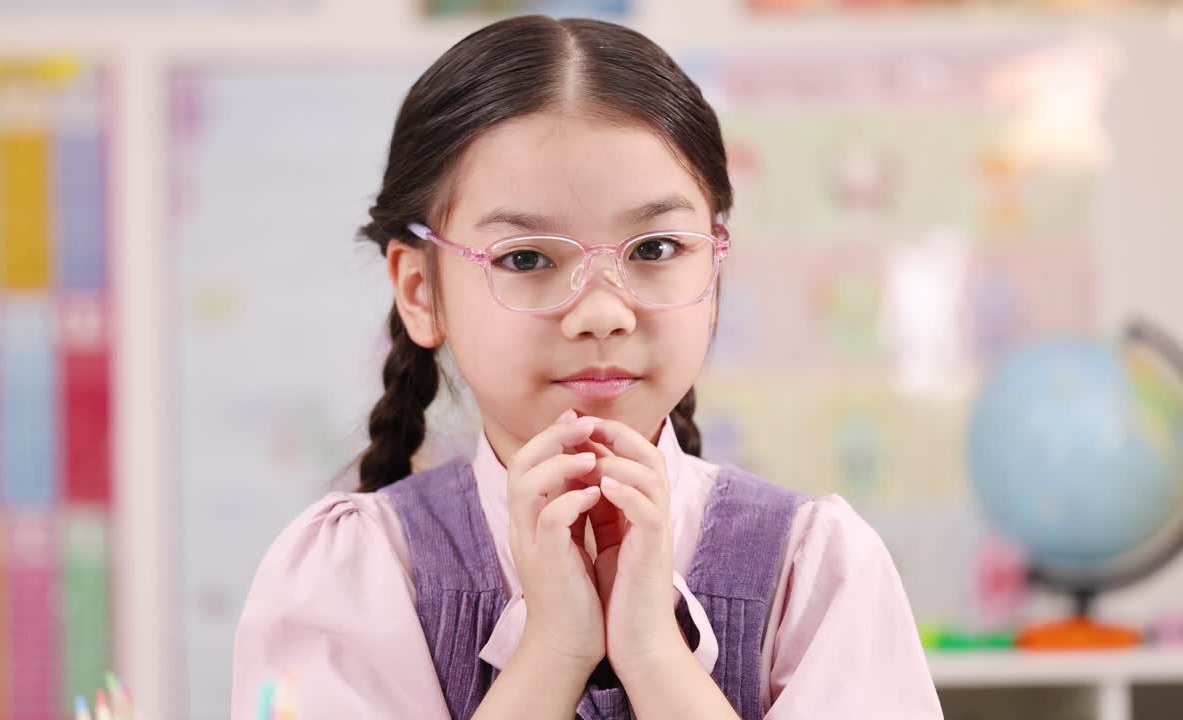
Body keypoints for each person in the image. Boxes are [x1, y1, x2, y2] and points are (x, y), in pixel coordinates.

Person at [232, 14, 941, 719]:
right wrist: (552, 653)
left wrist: (655, 654)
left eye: (656, 249)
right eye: (527, 259)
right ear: (421, 291)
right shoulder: (350, 577)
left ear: (715, 269)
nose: (603, 312)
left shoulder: (812, 572)